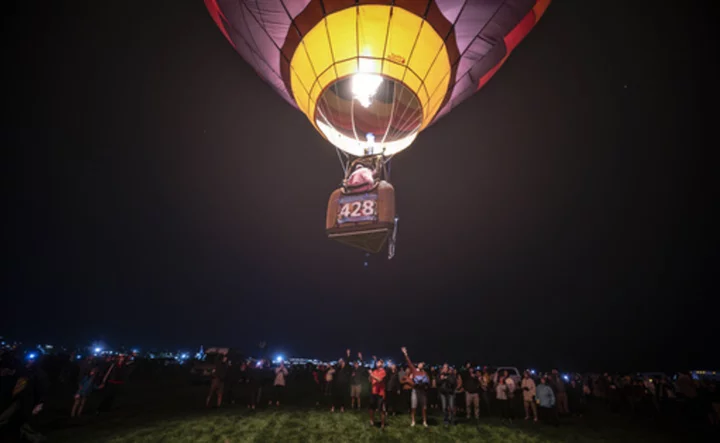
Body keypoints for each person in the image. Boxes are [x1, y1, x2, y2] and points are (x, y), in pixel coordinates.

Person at [401, 347, 429, 427]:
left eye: (422, 364)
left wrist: (426, 384)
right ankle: (413, 421)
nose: (421, 365)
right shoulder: (414, 371)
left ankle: (424, 421)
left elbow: (428, 382)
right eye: (420, 363)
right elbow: (409, 362)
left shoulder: (424, 373)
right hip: (415, 390)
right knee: (414, 406)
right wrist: (405, 353)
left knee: (424, 407)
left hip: (422, 391)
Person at [368, 357, 387, 430]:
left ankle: (382, 424)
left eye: (378, 362)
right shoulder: (374, 371)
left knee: (381, 410)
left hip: (380, 393)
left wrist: (371, 374)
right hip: (373, 392)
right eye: (376, 362)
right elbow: (370, 380)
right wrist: (370, 376)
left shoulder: (383, 371)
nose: (377, 363)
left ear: (382, 364)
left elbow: (379, 380)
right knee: (371, 408)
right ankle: (372, 421)